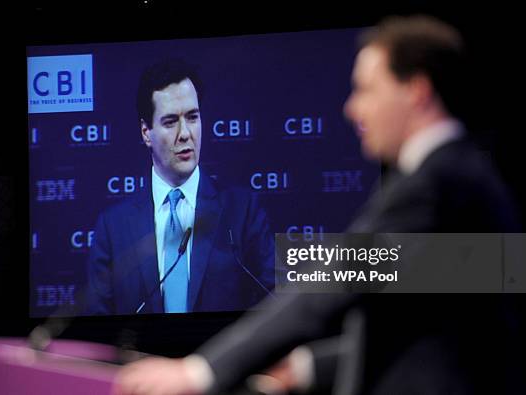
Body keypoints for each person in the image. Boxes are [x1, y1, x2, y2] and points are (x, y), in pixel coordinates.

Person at [115, 15, 523, 395]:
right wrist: (309, 366)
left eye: (366, 90)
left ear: (416, 90)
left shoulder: (438, 182)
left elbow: (339, 279)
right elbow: (435, 324)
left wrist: (199, 372)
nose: (352, 108)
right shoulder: (461, 173)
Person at [86, 59, 275, 315]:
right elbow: (98, 318)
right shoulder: (113, 227)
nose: (185, 133)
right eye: (171, 121)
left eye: (193, 117)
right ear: (145, 132)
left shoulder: (242, 211)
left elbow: (270, 303)